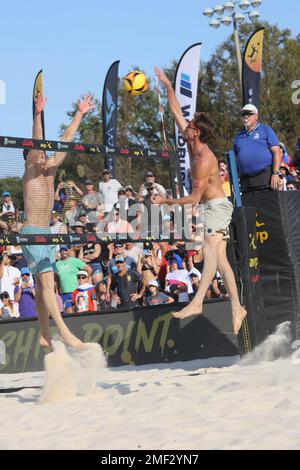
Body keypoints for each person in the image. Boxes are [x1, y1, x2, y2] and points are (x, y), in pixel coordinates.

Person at [154, 67, 246, 335]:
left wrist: (166, 202)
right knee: (222, 260)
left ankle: (197, 302)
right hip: (210, 207)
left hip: (216, 207)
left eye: (191, 125)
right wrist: (167, 84)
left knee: (209, 252)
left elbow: (194, 198)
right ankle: (237, 307)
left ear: (197, 133)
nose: (186, 125)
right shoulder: (190, 141)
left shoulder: (204, 160)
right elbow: (174, 111)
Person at [21, 92, 94, 349]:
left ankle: (44, 333)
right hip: (31, 232)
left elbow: (66, 140)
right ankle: (63, 330)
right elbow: (37, 139)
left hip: (47, 232)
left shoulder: (50, 169)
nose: (42, 155)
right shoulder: (31, 168)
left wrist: (80, 114)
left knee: (43, 287)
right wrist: (38, 113)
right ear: (30, 156)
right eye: (38, 153)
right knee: (47, 281)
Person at [233, 104, 282, 191]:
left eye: (249, 114)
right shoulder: (238, 136)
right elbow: (235, 159)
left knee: (266, 203)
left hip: (264, 176)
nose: (246, 116)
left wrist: (276, 173)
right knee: (248, 204)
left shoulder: (266, 130)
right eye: (243, 114)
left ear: (256, 116)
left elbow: (277, 152)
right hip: (245, 179)